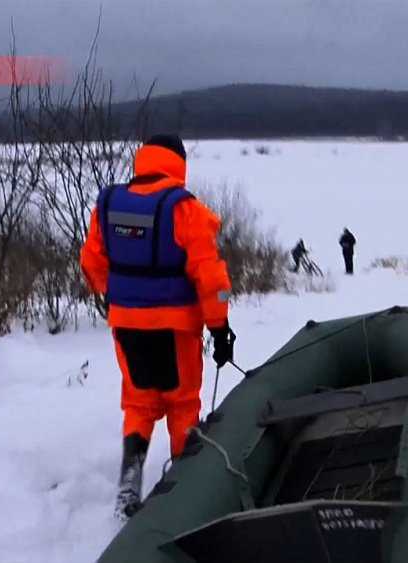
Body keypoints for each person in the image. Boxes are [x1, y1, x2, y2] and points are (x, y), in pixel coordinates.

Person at [79, 134, 236, 521]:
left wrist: (121, 297)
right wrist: (219, 328)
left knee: (139, 402)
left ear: (144, 161)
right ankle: (186, 494)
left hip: (126, 324)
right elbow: (210, 277)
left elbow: (91, 263)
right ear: (179, 163)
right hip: (175, 327)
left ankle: (129, 485)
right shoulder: (185, 209)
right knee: (182, 404)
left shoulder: (109, 203)